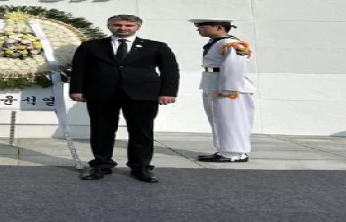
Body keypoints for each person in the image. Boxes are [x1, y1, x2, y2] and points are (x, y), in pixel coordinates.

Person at [69, 15, 179, 183]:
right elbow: (79, 69)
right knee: (101, 131)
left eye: (129, 25)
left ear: (137, 27)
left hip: (142, 94)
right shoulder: (91, 46)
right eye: (117, 25)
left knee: (141, 132)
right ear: (109, 26)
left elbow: (170, 71)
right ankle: (101, 165)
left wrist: (168, 92)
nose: (123, 28)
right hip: (102, 93)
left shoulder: (156, 47)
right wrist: (76, 89)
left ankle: (141, 167)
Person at [191, 18, 256, 163]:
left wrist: (230, 89)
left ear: (219, 27)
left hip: (228, 88)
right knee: (218, 120)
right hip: (213, 84)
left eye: (202, 26)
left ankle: (235, 153)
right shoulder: (217, 42)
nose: (198, 29)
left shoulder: (232, 44)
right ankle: (224, 150)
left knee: (231, 120)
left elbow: (235, 67)